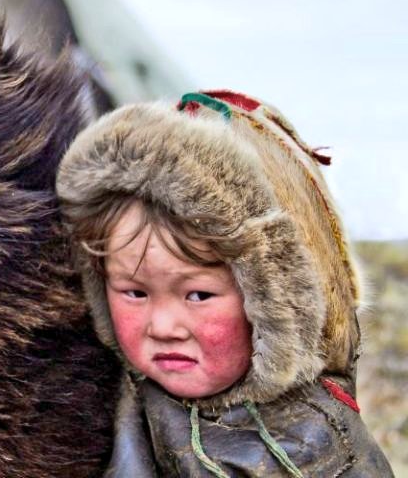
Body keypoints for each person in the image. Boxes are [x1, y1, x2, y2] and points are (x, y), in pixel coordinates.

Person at [56, 90, 394, 476]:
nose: (163, 327)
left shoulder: (315, 445)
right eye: (135, 292)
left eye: (198, 295)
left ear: (274, 303)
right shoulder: (115, 400)